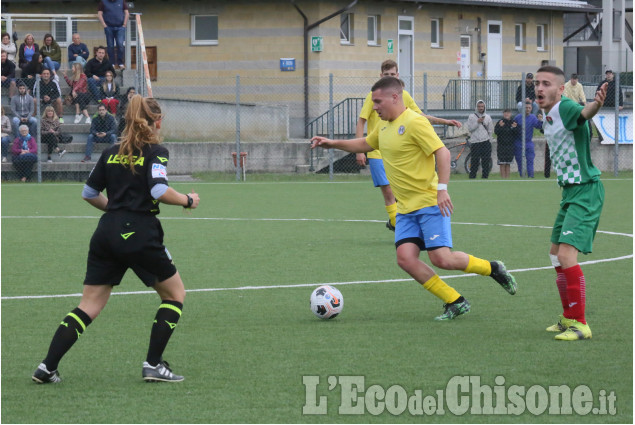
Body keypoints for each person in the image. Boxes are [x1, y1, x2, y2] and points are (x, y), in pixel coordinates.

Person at [311, 76, 517, 321]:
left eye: (378, 101)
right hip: (406, 208)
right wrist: (332, 143)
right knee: (405, 259)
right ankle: (455, 300)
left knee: (442, 259)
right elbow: (365, 143)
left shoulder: (415, 122)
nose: (374, 107)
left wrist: (442, 189)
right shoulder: (384, 126)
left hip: (429, 203)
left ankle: (493, 268)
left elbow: (441, 151)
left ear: (395, 97)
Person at [32, 95, 201, 384]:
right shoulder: (156, 151)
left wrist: (116, 210)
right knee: (174, 295)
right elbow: (159, 190)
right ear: (157, 121)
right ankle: (153, 365)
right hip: (140, 233)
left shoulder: (111, 151)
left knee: (88, 305)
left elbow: (88, 193)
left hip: (106, 232)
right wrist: (187, 199)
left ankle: (46, 368)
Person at [534, 65, 607, 341]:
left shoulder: (564, 107)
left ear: (560, 89)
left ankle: (581, 323)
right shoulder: (547, 113)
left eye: (547, 84)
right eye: (537, 83)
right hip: (570, 193)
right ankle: (568, 317)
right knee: (555, 255)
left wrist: (596, 105)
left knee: (566, 256)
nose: (540, 88)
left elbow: (583, 113)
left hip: (586, 190)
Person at [355, 59, 462, 231]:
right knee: (388, 192)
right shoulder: (374, 96)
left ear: (398, 75)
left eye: (393, 74)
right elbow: (361, 120)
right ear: (381, 75)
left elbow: (420, 116)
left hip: (398, 150)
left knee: (400, 192)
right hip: (376, 150)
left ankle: (399, 225)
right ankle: (398, 226)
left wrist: (444, 121)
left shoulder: (404, 96)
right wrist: (359, 152)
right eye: (386, 74)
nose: (390, 76)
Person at [513, 102, 543, 178]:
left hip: (528, 143)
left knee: (530, 160)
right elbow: (513, 129)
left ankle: (531, 176)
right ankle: (522, 176)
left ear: (531, 109)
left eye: (529, 108)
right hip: (518, 143)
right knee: (520, 161)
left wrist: (540, 121)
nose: (527, 109)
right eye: (526, 108)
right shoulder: (517, 117)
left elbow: (538, 126)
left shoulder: (533, 117)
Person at [466, 100, 494, 179]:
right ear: (476, 107)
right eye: (479, 106)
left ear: (484, 107)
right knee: (475, 161)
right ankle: (472, 177)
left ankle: (485, 177)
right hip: (475, 142)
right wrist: (477, 122)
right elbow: (470, 129)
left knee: (486, 161)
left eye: (482, 106)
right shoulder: (471, 117)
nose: (480, 108)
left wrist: (490, 141)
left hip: (485, 141)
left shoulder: (488, 117)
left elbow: (490, 130)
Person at [98, 0, 129, 70]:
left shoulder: (122, 1)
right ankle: (112, 63)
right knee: (110, 46)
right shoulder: (103, 2)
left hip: (120, 27)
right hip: (108, 27)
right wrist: (104, 25)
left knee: (120, 44)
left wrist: (124, 24)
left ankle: (120, 63)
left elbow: (126, 13)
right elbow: (99, 14)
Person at [493, 109, 518, 179]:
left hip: (510, 146)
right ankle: (502, 179)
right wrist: (500, 127)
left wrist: (514, 128)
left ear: (510, 114)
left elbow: (516, 133)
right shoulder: (500, 122)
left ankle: (507, 179)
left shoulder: (513, 122)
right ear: (503, 114)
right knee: (502, 163)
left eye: (508, 113)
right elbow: (496, 132)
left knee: (508, 163)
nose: (507, 114)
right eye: (505, 113)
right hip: (501, 146)